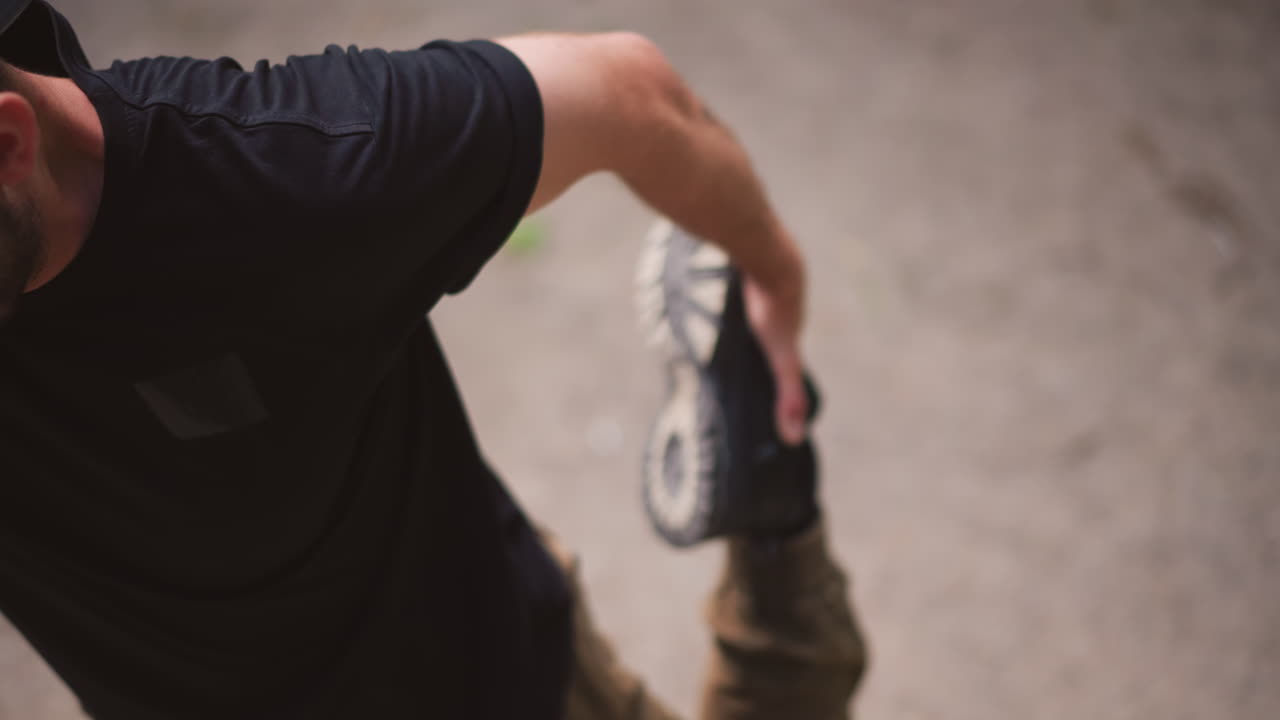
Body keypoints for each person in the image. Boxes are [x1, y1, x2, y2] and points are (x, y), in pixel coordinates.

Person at [0, 0, 866, 717]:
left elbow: (625, 92)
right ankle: (774, 507)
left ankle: (777, 529)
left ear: (10, 146)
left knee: (787, 674)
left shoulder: (280, 175)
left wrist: (776, 280)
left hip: (479, 676)